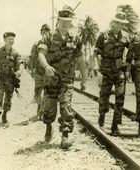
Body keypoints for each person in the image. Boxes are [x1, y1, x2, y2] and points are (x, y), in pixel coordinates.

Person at [38, 5, 86, 149]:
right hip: (51, 79)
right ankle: (48, 126)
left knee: (66, 106)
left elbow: (80, 59)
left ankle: (65, 136)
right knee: (49, 108)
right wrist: (46, 66)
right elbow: (41, 54)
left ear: (71, 22)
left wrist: (84, 79)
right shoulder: (49, 37)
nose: (65, 24)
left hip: (67, 80)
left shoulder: (75, 39)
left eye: (68, 21)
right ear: (58, 21)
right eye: (63, 21)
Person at [94, 12, 130, 135]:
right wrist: (96, 67)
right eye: (118, 23)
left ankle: (115, 125)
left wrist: (129, 63)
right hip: (106, 71)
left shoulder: (125, 36)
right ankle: (102, 113)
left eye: (122, 24)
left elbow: (132, 48)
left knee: (120, 96)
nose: (120, 26)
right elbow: (96, 53)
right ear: (113, 23)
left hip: (119, 71)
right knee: (104, 97)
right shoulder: (103, 36)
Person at [0, 32, 23, 127]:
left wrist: (20, 71)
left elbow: (21, 64)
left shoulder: (15, 53)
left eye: (12, 39)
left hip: (10, 80)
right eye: (9, 39)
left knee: (8, 100)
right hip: (0, 78)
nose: (11, 41)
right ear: (4, 40)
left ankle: (5, 115)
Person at [31, 24, 51, 120]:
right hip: (38, 72)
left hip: (48, 73)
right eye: (43, 32)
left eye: (46, 31)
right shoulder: (36, 44)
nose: (45, 33)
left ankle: (42, 111)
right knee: (38, 92)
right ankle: (39, 106)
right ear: (40, 32)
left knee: (46, 92)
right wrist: (32, 70)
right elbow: (33, 58)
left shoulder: (52, 43)